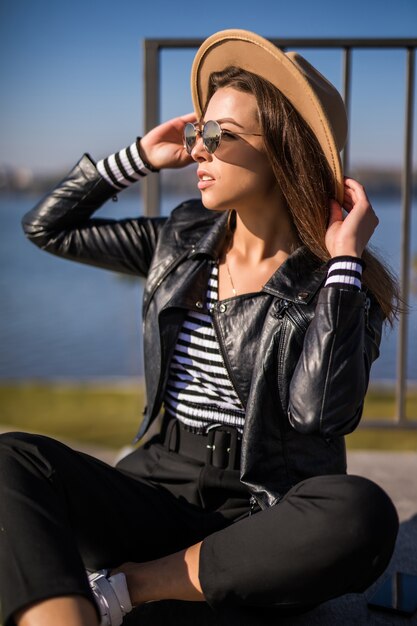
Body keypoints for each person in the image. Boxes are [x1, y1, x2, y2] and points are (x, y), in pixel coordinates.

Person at [1, 29, 399, 626]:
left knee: (362, 513)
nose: (199, 150)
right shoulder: (181, 239)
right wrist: (137, 157)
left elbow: (322, 415)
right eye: (198, 132)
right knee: (13, 460)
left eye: (219, 135)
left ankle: (133, 587)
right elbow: (48, 229)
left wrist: (343, 266)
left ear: (285, 150)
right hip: (159, 485)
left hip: (264, 518)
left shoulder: (338, 282)